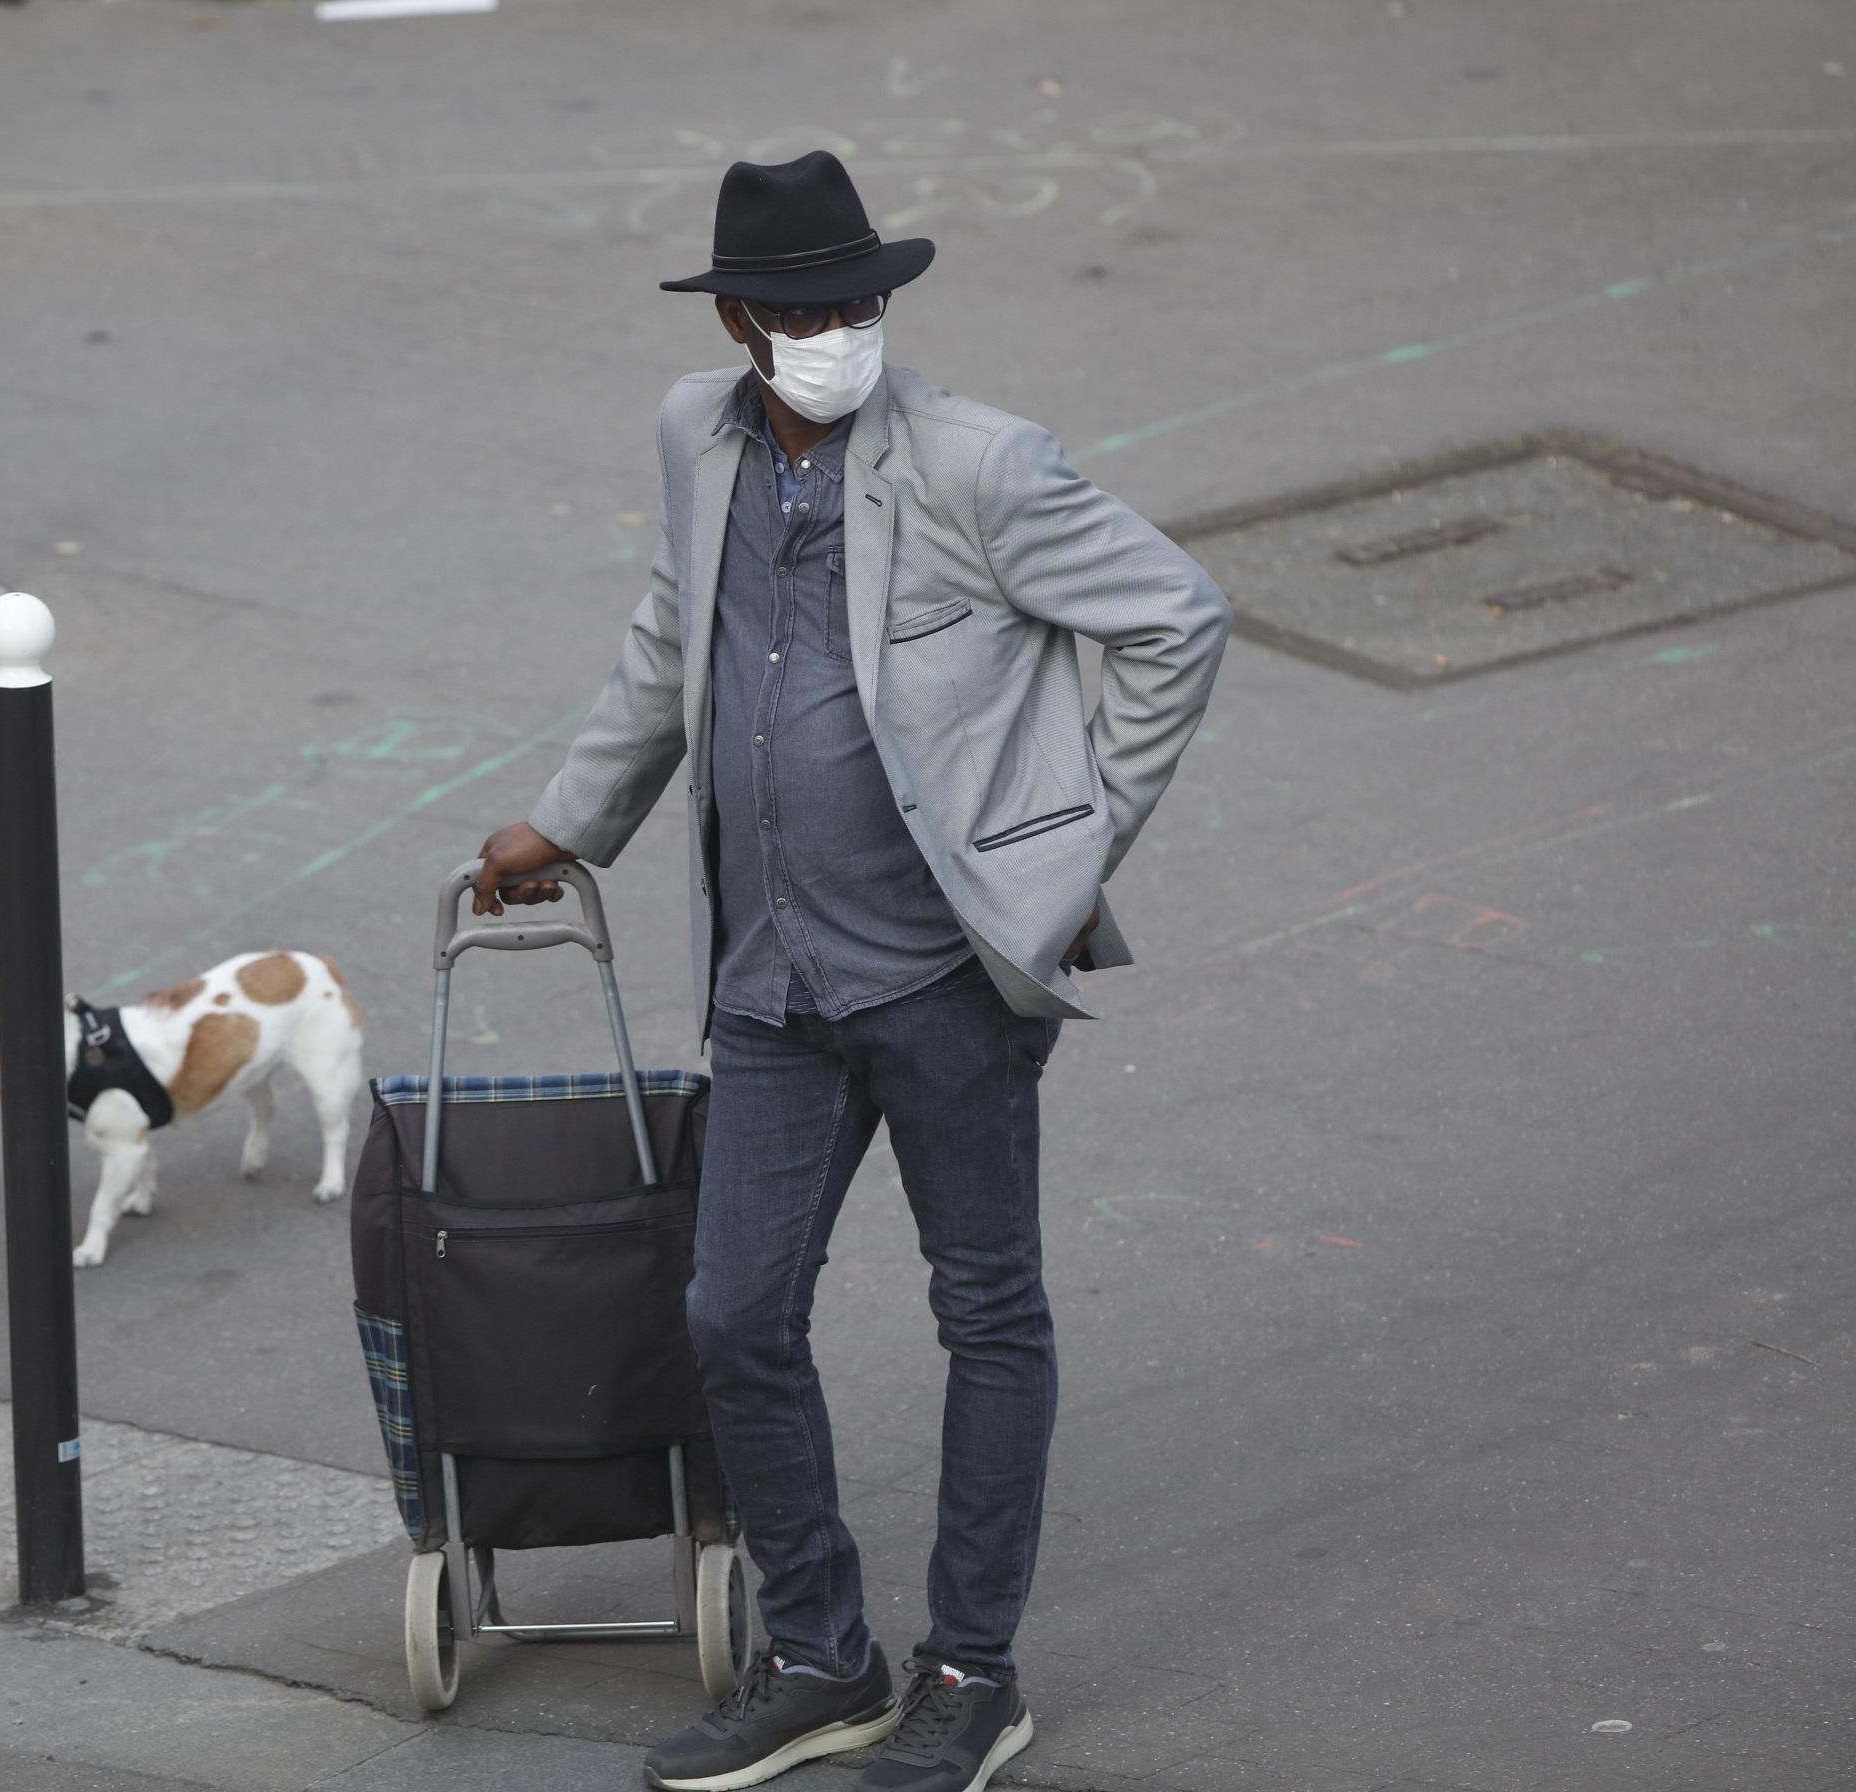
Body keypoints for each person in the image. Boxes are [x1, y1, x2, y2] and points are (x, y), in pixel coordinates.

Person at [473, 153, 1227, 1792]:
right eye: (803, 310)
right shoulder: (696, 433)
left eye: (859, 302)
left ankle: (971, 1673)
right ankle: (823, 1657)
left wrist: (1065, 855)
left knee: (986, 1312)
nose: (838, 333)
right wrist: (570, 819)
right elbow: (671, 636)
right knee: (733, 1315)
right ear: (736, 320)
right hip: (769, 973)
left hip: (945, 975)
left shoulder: (982, 463)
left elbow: (1177, 616)